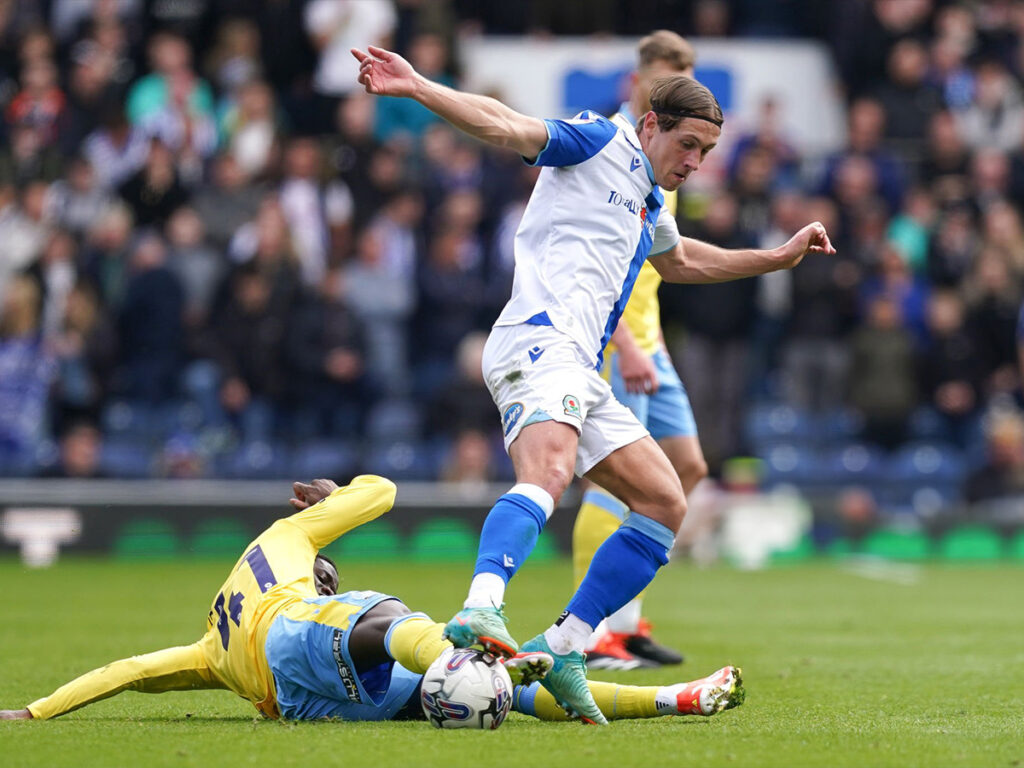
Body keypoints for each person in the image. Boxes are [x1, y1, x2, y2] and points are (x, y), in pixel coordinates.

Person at [352, 44, 833, 724]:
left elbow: (687, 260)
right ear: (649, 126)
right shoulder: (600, 138)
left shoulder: (648, 196)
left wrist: (778, 258)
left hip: (581, 362)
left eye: (706, 151)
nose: (694, 163)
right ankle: (480, 606)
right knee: (547, 475)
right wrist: (419, 86)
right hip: (537, 338)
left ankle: (565, 645)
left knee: (666, 500)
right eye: (688, 145)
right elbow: (506, 125)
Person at [0, 476, 744, 724]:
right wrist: (335, 497)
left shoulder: (205, 653)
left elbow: (130, 670)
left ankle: (675, 699)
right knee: (387, 619)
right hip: (295, 636)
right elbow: (382, 491)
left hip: (322, 702)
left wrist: (35, 711)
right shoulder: (289, 544)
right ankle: (476, 646)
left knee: (495, 693)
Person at [572, 30, 701, 671]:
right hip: (621, 342)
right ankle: (596, 634)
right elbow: (600, 262)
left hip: (652, 338)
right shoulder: (611, 150)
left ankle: (627, 619)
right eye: (663, 80)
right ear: (638, 82)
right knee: (622, 486)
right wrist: (625, 345)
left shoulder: (673, 156)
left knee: (689, 467)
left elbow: (662, 261)